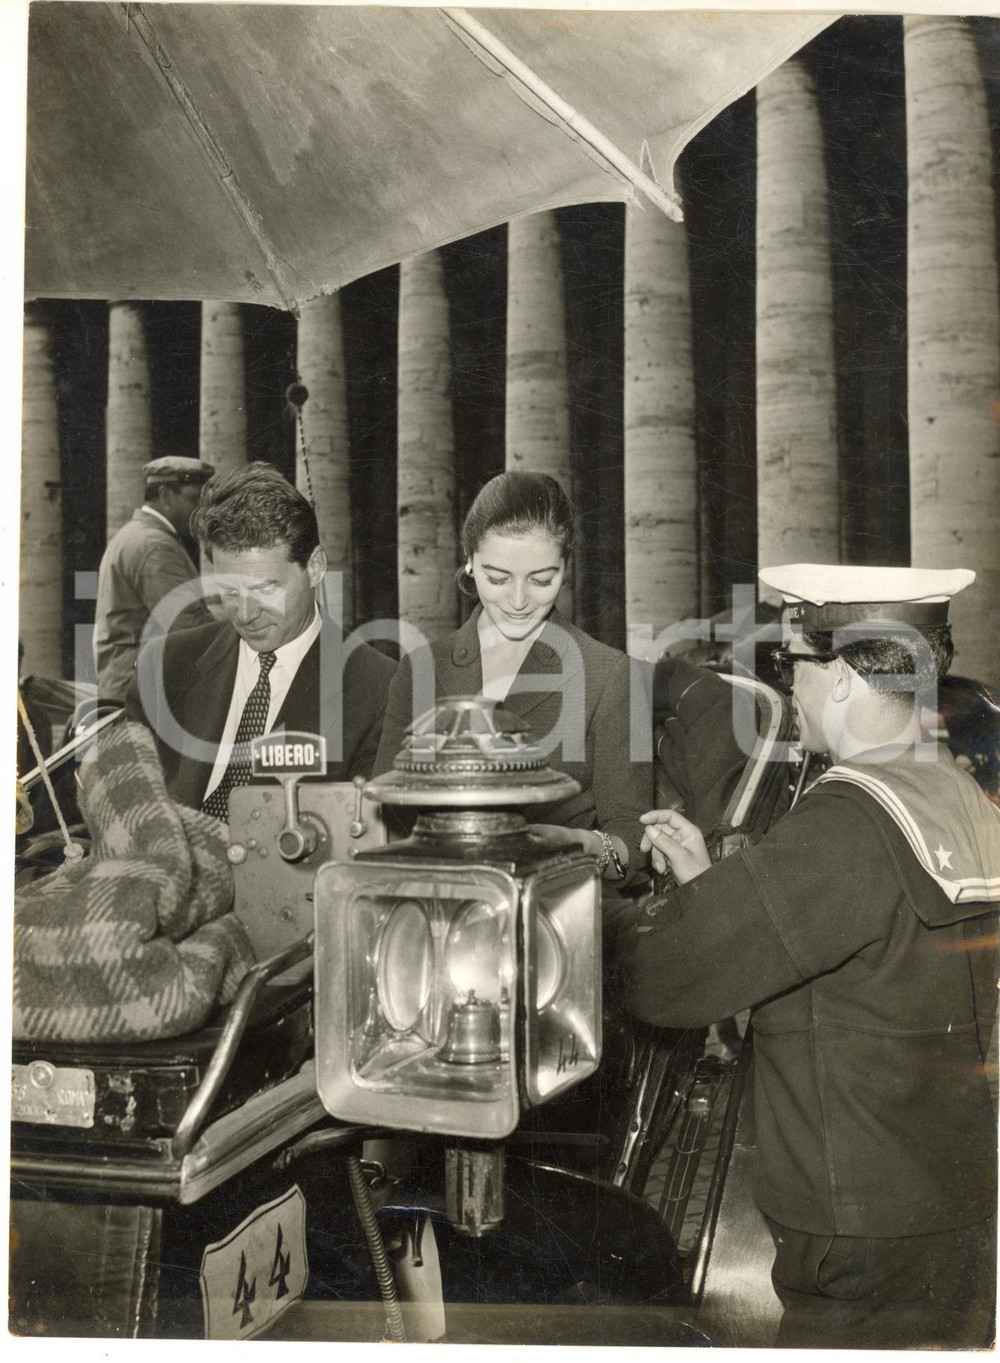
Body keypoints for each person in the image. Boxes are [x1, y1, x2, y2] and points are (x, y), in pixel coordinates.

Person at [625, 563, 1000, 1350]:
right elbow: (860, 941)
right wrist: (713, 883)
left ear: (841, 675)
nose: (788, 688)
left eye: (790, 664)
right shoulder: (957, 793)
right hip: (954, 1197)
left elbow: (668, 977)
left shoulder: (850, 817)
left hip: (854, 1222)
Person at [373, 471, 652, 904]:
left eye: (542, 580)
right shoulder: (420, 671)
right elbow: (384, 816)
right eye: (498, 578)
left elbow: (631, 842)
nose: (519, 601)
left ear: (566, 566)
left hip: (559, 905)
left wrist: (580, 845)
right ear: (469, 561)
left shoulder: (612, 676)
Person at [125, 462, 396, 813]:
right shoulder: (163, 666)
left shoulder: (379, 691)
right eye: (229, 592)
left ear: (314, 568)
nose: (245, 614)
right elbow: (124, 800)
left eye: (266, 588)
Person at [94, 456, 216, 702]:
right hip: (145, 696)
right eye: (194, 500)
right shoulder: (154, 545)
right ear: (165, 495)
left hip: (127, 686)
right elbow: (189, 627)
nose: (200, 511)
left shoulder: (133, 535)